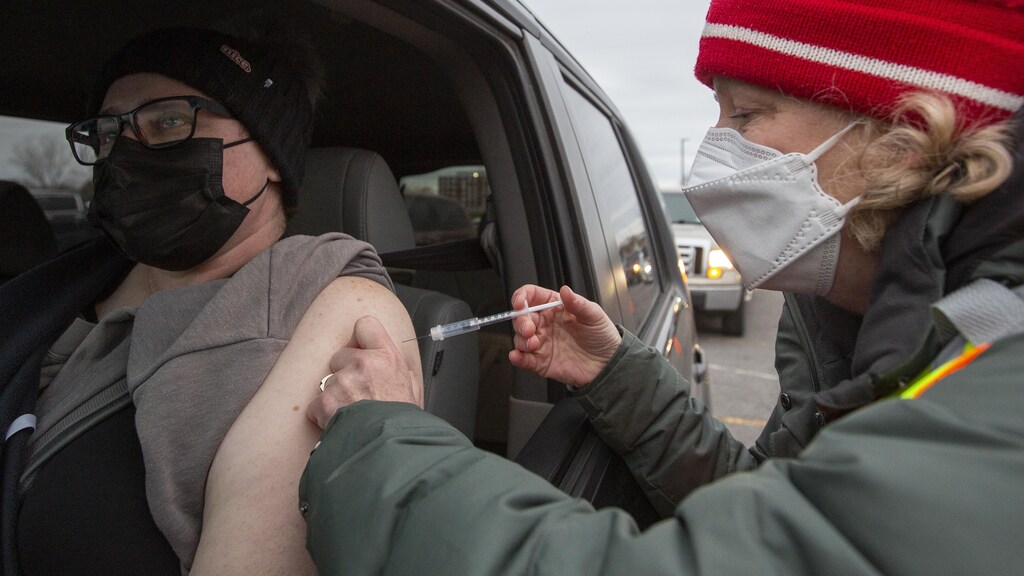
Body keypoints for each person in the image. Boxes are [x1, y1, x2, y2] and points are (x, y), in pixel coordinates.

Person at [299, 0, 1023, 573]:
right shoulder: (847, 322)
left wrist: (380, 439)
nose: (715, 155)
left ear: (904, 132)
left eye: (744, 114)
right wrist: (616, 375)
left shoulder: (998, 375)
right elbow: (770, 507)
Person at [0, 26, 422, 576]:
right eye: (107, 132)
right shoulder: (57, 292)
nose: (126, 151)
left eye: (170, 121)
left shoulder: (322, 296)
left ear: (271, 152)